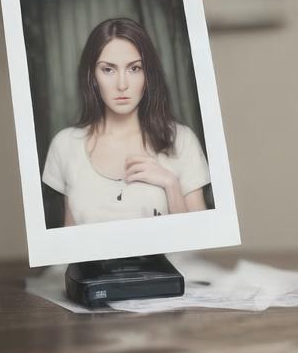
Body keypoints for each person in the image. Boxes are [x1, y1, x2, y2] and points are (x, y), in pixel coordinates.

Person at [42, 18, 210, 226]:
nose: (122, 85)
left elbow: (200, 238)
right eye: (108, 70)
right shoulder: (65, 144)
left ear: (148, 75)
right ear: (92, 76)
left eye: (134, 69)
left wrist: (171, 184)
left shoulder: (181, 140)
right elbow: (69, 243)